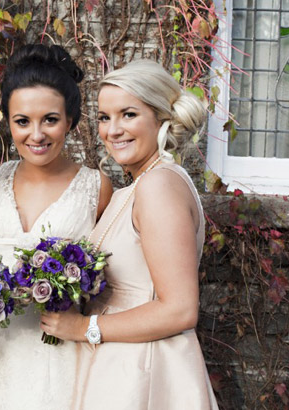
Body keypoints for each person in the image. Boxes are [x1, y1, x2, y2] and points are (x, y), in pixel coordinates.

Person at [40, 59, 219, 409]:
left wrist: (82, 328)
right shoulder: (138, 187)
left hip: (146, 371)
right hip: (120, 364)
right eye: (105, 118)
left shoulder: (159, 186)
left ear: (161, 117)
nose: (113, 130)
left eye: (128, 114)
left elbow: (180, 310)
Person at [0, 44, 112, 410]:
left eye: (50, 119)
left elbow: (111, 280)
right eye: (23, 121)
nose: (36, 135)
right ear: (8, 122)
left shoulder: (96, 187)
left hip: (58, 351)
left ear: (71, 120)